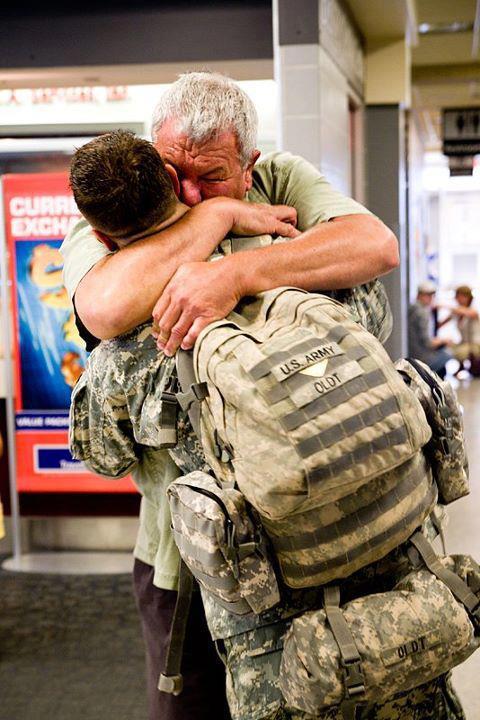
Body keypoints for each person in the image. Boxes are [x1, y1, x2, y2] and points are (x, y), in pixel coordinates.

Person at [68, 128, 465, 720]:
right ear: (176, 189)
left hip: (253, 591)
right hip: (386, 548)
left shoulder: (123, 352)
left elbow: (103, 454)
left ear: (102, 238)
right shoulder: (305, 268)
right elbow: (375, 319)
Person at [408, 281, 452, 379]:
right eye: (429, 295)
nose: (431, 298)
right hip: (421, 357)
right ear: (420, 295)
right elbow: (428, 343)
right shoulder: (422, 312)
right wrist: (444, 341)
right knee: (449, 353)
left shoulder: (413, 308)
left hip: (413, 354)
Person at [450, 285, 480, 375]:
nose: (458, 299)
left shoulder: (474, 309)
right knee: (448, 348)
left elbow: (469, 313)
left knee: (459, 352)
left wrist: (441, 305)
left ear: (467, 297)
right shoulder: (457, 312)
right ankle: (462, 366)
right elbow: (442, 322)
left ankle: (470, 365)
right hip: (465, 342)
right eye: (457, 296)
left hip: (476, 343)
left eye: (460, 296)